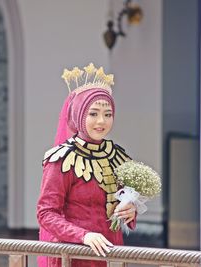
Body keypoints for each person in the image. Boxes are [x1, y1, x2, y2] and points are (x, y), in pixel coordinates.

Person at [37, 63, 137, 267]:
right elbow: (46, 213)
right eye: (93, 113)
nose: (101, 121)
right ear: (78, 115)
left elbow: (121, 203)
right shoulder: (62, 159)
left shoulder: (118, 156)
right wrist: (83, 236)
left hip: (112, 253)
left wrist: (130, 211)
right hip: (74, 255)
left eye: (108, 114)